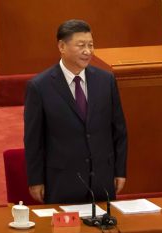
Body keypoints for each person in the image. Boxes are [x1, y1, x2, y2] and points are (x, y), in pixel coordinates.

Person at [24, 20, 127, 204]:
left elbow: (119, 130)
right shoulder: (40, 86)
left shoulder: (106, 81)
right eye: (81, 45)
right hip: (62, 181)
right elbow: (33, 139)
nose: (88, 51)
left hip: (102, 180)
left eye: (91, 45)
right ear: (62, 46)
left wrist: (119, 171)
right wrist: (35, 180)